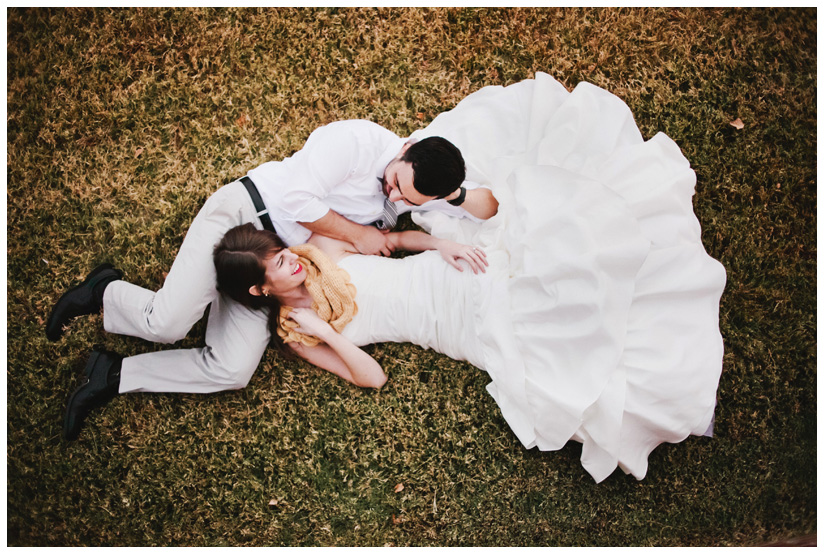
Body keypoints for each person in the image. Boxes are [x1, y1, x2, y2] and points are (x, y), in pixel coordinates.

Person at [208, 73, 726, 483]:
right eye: (277, 265)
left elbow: (393, 242)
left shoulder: (318, 251)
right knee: (541, 356)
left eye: (280, 252)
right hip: (449, 332)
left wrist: (441, 243)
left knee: (549, 276)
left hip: (445, 272)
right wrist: (323, 334)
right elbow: (372, 377)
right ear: (260, 291)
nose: (288, 261)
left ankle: (627, 279)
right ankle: (670, 383)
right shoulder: (297, 334)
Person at [47, 123, 498, 441]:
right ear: (407, 147)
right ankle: (105, 291)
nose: (394, 197)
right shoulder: (357, 141)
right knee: (168, 323)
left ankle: (113, 373)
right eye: (396, 183)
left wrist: (452, 196)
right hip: (245, 220)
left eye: (408, 198)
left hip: (280, 274)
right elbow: (295, 198)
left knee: (232, 368)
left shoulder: (419, 186)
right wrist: (360, 234)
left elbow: (489, 207)